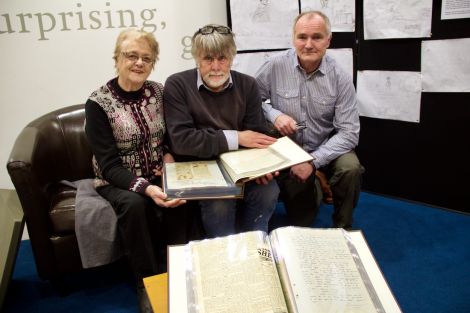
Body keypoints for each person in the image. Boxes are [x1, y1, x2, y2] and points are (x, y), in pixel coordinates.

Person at [84, 28, 186, 313]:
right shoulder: (98, 104)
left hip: (157, 172)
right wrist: (147, 188)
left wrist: (169, 160)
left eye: (146, 58)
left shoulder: (159, 91)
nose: (139, 63)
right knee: (135, 204)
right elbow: (108, 165)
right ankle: (147, 281)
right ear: (117, 58)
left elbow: (169, 138)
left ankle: (180, 272)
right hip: (117, 179)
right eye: (131, 56)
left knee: (179, 200)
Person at [163, 24, 279, 238]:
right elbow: (183, 141)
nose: (216, 66)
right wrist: (238, 137)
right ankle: (225, 253)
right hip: (201, 168)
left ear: (232, 58)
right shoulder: (177, 84)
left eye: (222, 58)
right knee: (219, 203)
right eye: (208, 59)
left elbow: (256, 136)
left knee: (268, 190)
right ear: (197, 58)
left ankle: (255, 245)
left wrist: (264, 166)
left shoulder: (248, 85)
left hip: (241, 166)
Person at [255, 11, 364, 229]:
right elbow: (252, 102)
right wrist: (274, 115)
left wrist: (313, 161)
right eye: (302, 37)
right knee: (301, 219)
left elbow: (349, 133)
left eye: (317, 37)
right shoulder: (274, 66)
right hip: (288, 151)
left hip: (323, 149)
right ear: (293, 38)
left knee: (351, 168)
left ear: (328, 41)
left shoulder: (340, 78)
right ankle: (318, 183)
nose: (308, 44)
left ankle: (344, 227)